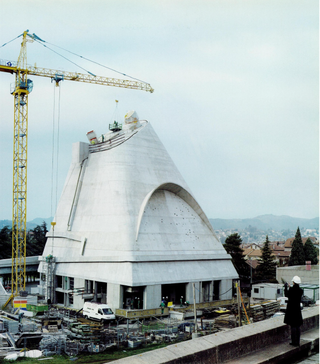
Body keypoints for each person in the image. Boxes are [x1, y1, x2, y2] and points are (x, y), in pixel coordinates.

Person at [284, 275, 303, 346]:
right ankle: (297, 342)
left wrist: (286, 287)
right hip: (297, 310)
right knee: (297, 326)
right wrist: (290, 287)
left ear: (294, 282)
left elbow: (287, 294)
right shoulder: (301, 291)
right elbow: (295, 292)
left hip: (291, 310)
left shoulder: (291, 290)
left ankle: (293, 341)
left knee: (293, 326)